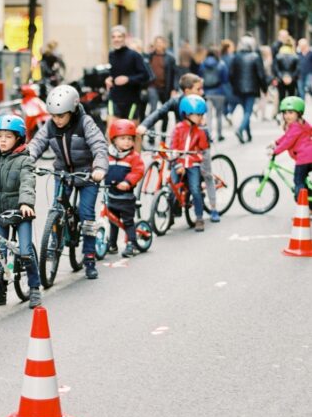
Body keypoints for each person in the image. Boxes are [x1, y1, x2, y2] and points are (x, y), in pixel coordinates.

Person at [29, 84, 108, 279]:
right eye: (53, 115)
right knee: (56, 208)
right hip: (63, 173)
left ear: (72, 111)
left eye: (61, 116)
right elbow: (37, 143)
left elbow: (99, 145)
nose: (56, 120)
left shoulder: (85, 123)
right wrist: (26, 160)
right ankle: (55, 243)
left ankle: (89, 257)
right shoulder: (50, 125)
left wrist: (99, 168)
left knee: (86, 213)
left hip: (87, 175)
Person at [0, 115, 41, 308]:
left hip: (21, 214)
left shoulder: (25, 160)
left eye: (8, 136)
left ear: (18, 138)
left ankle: (35, 287)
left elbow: (27, 182)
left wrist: (26, 203)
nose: (3, 140)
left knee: (25, 251)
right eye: (0, 136)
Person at [138, 73, 221, 223]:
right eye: (198, 88)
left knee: (206, 173)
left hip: (198, 141)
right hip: (180, 140)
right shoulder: (176, 101)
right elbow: (159, 112)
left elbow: (205, 123)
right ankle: (174, 205)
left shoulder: (200, 102)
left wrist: (204, 136)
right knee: (173, 166)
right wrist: (144, 125)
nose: (202, 92)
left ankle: (213, 207)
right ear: (187, 90)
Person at [170, 95, 210, 232]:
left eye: (201, 115)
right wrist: (177, 164)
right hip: (179, 162)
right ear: (187, 114)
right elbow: (173, 147)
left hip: (193, 164)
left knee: (195, 189)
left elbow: (204, 149)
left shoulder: (199, 131)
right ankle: (172, 213)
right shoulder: (177, 129)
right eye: (198, 115)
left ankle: (199, 218)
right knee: (172, 187)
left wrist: (205, 132)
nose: (201, 118)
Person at [105, 118, 145, 257]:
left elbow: (138, 171)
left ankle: (132, 244)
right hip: (111, 195)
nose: (127, 142)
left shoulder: (133, 157)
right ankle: (112, 244)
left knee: (128, 222)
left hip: (126, 198)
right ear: (114, 140)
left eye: (129, 138)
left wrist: (128, 182)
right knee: (113, 221)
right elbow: (100, 166)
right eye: (122, 138)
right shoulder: (108, 155)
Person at [269, 96, 312, 207]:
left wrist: (275, 152)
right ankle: (310, 205)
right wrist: (276, 142)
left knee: (298, 181)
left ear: (299, 113)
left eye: (291, 112)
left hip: (304, 158)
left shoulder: (295, 127)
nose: (287, 116)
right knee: (304, 181)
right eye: (285, 113)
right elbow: (287, 137)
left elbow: (288, 142)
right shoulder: (301, 124)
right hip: (308, 157)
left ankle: (303, 206)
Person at [105, 25, 150, 120]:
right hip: (114, 98)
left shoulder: (135, 55)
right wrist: (109, 79)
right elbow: (113, 73)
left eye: (119, 36)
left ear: (124, 38)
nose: (116, 39)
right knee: (111, 131)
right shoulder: (111, 55)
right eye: (113, 37)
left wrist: (128, 79)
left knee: (131, 132)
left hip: (131, 99)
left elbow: (145, 76)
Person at [230, 36, 267, 144]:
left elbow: (231, 74)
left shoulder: (236, 57)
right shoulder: (255, 56)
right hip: (251, 89)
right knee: (248, 111)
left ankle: (248, 134)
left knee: (246, 111)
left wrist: (234, 86)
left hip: (239, 89)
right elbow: (261, 75)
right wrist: (264, 88)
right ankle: (240, 129)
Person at [145, 36, 177, 131]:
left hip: (165, 88)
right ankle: (151, 134)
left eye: (160, 43)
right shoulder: (149, 57)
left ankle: (163, 134)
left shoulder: (170, 58)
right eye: (156, 43)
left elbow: (174, 74)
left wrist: (174, 89)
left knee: (165, 112)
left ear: (164, 44)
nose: (158, 45)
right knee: (153, 110)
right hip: (152, 87)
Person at [198, 46, 229, 142]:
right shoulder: (221, 64)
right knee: (219, 115)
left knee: (209, 116)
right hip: (219, 92)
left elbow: (199, 77)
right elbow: (225, 79)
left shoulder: (203, 64)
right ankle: (219, 134)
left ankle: (209, 135)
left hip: (207, 92)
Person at [271, 33, 300, 111]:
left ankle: (282, 113)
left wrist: (282, 77)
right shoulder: (295, 56)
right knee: (291, 97)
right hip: (292, 79)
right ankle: (291, 112)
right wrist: (291, 77)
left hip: (281, 79)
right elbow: (297, 69)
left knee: (281, 97)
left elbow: (275, 69)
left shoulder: (278, 55)